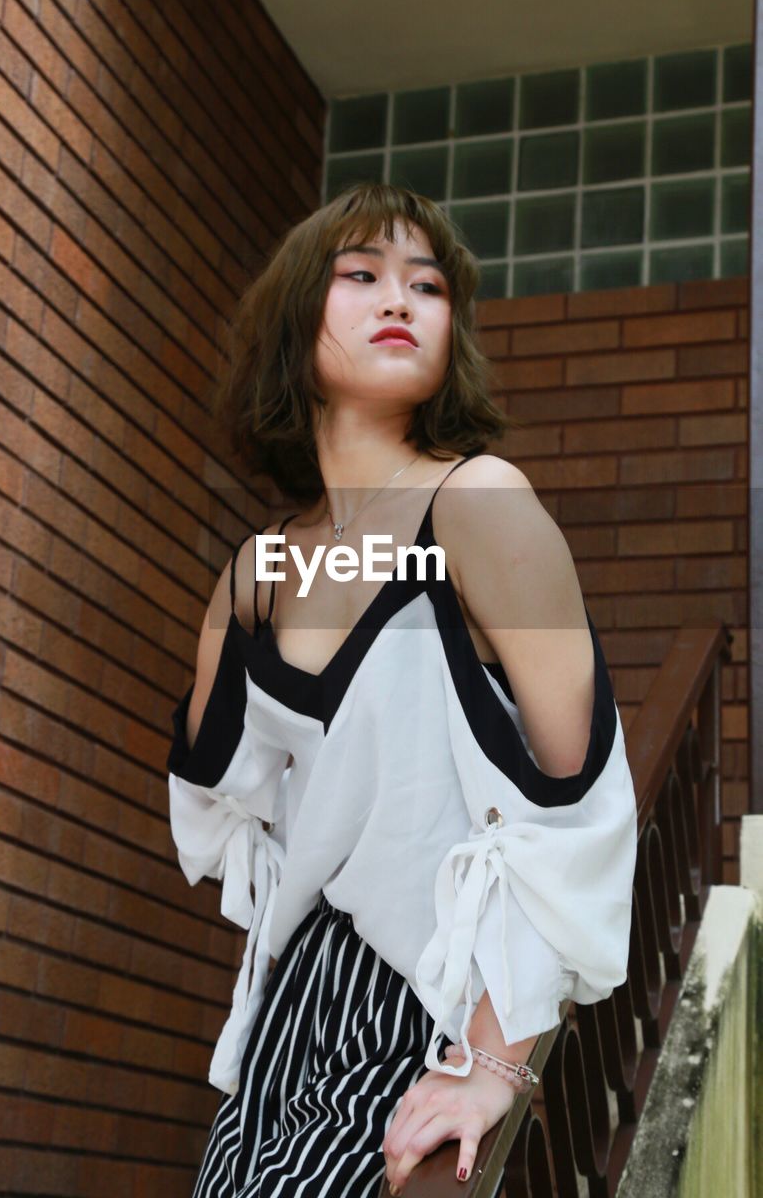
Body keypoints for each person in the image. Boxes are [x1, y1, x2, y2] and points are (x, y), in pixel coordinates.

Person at [165, 183, 638, 1197]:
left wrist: (493, 1056)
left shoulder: (476, 503)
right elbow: (215, 805)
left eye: (427, 285)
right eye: (362, 275)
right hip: (291, 1007)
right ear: (297, 324)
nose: (402, 298)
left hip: (431, 992)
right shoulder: (268, 566)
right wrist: (229, 620)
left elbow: (580, 804)